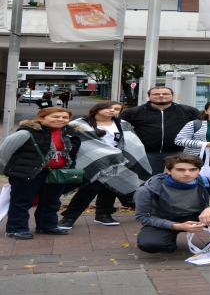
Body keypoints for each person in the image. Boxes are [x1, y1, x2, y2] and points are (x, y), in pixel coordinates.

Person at [134, 154, 210, 257]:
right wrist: (176, 226)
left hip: (198, 218)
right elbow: (143, 217)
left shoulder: (207, 181)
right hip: (167, 221)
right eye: (180, 170)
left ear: (199, 170)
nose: (187, 173)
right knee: (150, 245)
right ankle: (169, 239)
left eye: (193, 170)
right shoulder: (148, 189)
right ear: (168, 170)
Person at [58, 101, 152, 229]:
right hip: (93, 161)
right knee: (89, 189)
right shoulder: (79, 124)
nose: (112, 110)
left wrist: (123, 155)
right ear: (97, 108)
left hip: (117, 161)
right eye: (109, 108)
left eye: (117, 109)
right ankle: (69, 217)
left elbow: (132, 142)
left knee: (111, 188)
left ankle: (103, 214)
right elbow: (73, 141)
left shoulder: (123, 124)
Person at [0, 108, 81, 240]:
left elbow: (73, 153)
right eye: (55, 116)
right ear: (41, 118)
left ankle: (47, 226)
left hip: (58, 173)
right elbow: (5, 151)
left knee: (51, 201)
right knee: (22, 201)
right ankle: (16, 229)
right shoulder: (27, 132)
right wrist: (17, 167)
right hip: (29, 172)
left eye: (65, 117)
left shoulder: (71, 133)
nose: (60, 119)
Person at [121, 86, 200, 175]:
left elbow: (201, 128)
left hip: (180, 153)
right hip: (147, 153)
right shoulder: (134, 112)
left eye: (165, 94)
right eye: (156, 94)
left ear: (172, 96)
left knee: (181, 177)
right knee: (150, 179)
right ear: (149, 96)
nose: (161, 96)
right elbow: (122, 130)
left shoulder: (188, 111)